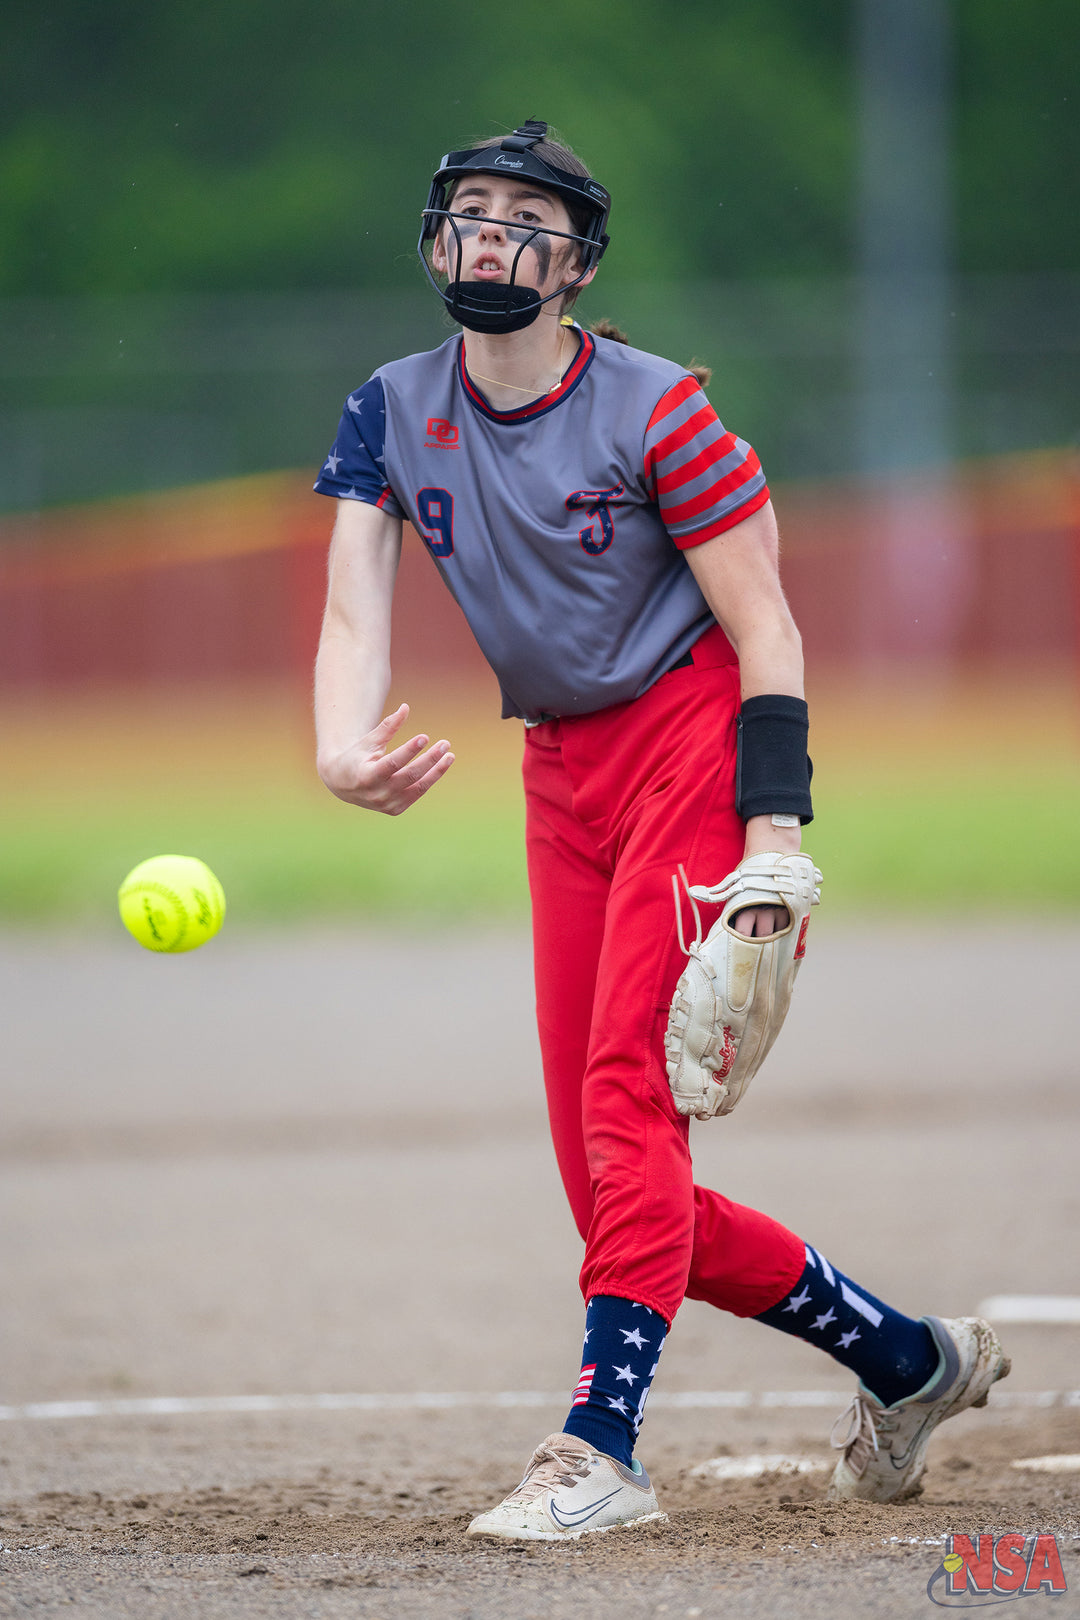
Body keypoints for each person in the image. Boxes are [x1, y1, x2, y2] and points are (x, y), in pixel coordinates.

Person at [312, 120, 1009, 1540]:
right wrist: (340, 743)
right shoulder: (388, 406)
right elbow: (349, 610)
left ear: (576, 263)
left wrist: (774, 839)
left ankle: (601, 1450)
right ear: (435, 232)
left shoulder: (659, 411)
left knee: (631, 1103)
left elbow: (769, 632)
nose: (493, 232)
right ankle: (910, 1361)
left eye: (527, 216)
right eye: (471, 207)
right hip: (558, 769)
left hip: (688, 739)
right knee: (611, 1187)